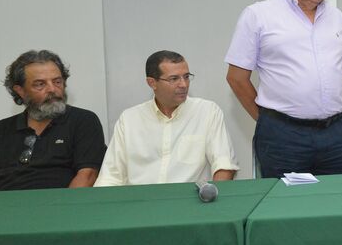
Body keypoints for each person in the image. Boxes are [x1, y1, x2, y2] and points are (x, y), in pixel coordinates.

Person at [225, 0, 342, 178]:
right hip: (284, 137)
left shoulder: (337, 18)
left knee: (337, 198)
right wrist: (269, 121)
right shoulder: (259, 15)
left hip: (336, 134)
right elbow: (236, 78)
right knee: (285, 200)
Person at [95, 51, 238, 186]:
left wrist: (213, 197)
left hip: (190, 200)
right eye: (174, 79)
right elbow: (110, 177)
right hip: (140, 200)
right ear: (152, 83)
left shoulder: (207, 112)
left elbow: (224, 165)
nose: (183, 84)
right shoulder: (129, 119)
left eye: (186, 77)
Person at [0, 50, 105, 190]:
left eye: (57, 82)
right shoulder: (1, 130)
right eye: (40, 84)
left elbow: (88, 175)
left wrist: (65, 204)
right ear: (20, 91)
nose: (52, 89)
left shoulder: (83, 121)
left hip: (61, 202)